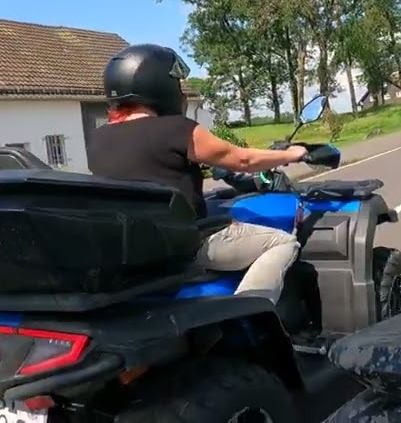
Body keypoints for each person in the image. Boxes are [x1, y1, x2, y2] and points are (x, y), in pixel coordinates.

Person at [86, 43, 307, 304]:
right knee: (283, 243)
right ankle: (250, 313)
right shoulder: (177, 129)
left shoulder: (98, 139)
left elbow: (150, 168)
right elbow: (242, 159)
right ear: (159, 85)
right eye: (177, 84)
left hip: (135, 250)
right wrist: (292, 154)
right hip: (185, 247)